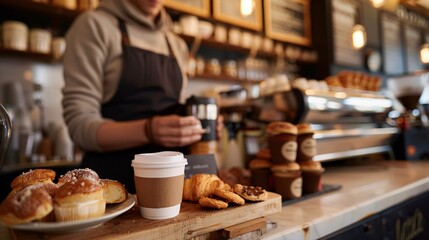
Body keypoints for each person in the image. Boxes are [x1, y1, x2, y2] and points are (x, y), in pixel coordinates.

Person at [62, 0, 220, 193]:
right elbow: (80, 126)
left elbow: (175, 110)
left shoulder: (175, 44)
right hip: (112, 187)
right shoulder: (94, 25)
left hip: (170, 183)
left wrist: (196, 128)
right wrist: (148, 130)